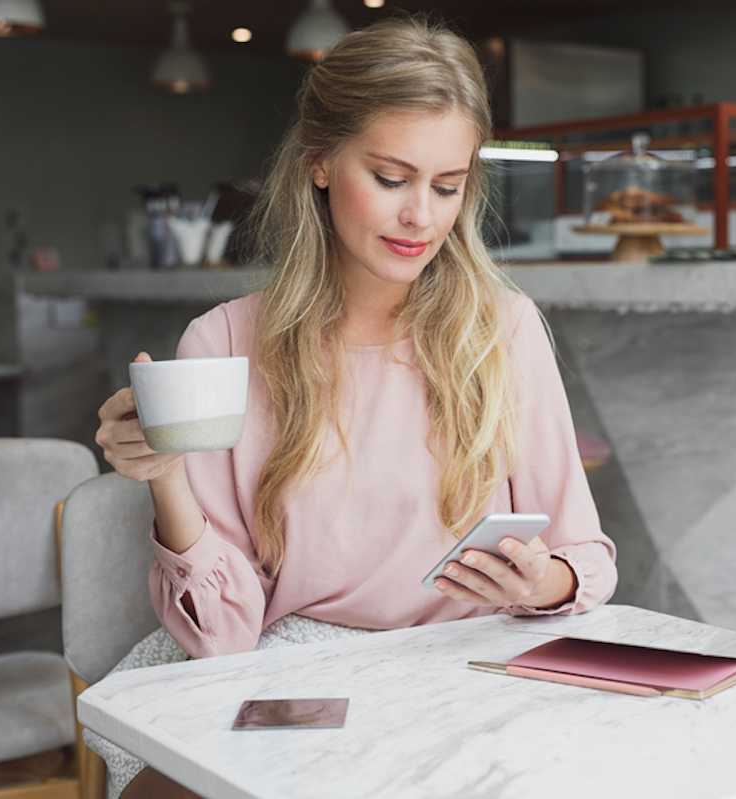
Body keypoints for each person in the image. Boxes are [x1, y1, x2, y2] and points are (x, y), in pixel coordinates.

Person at [92, 16, 617, 798]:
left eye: (448, 186)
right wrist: (165, 476)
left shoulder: (503, 331)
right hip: (284, 670)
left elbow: (588, 559)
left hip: (457, 670)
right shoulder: (225, 341)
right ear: (320, 165)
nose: (422, 218)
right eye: (392, 177)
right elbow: (225, 633)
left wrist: (537, 582)